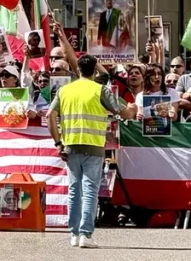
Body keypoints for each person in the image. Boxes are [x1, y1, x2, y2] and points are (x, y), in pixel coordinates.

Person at [47, 54, 134, 249]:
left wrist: (58, 143)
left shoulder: (64, 90)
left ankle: (74, 234)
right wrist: (133, 109)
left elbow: (49, 115)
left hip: (70, 145)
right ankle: (85, 235)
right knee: (90, 191)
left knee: (74, 190)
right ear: (95, 71)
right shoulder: (100, 89)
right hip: (93, 146)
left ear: (77, 70)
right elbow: (123, 112)